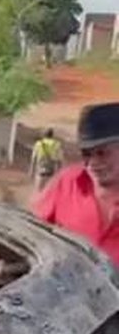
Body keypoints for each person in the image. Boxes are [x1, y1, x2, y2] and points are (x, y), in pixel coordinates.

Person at [32, 102, 119, 267]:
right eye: (86, 154)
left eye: (102, 153)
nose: (93, 163)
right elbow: (31, 234)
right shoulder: (67, 182)